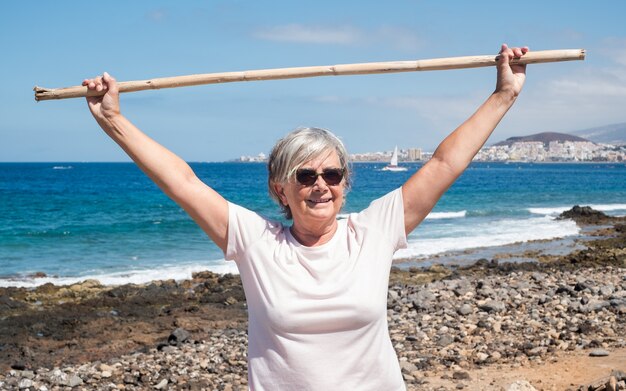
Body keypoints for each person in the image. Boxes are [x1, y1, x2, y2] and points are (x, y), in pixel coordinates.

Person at [83, 44, 529, 390]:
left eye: (332, 173)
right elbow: (182, 181)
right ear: (281, 188)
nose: (321, 184)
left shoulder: (373, 231)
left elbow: (444, 164)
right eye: (306, 174)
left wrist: (504, 93)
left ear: (345, 183)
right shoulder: (256, 242)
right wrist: (113, 119)